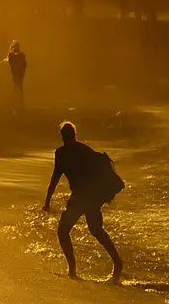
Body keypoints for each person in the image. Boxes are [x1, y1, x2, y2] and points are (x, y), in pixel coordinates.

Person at [43, 121, 123, 282]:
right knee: (94, 230)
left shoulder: (63, 153)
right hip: (88, 196)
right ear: (73, 135)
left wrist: (47, 201)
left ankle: (73, 270)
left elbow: (55, 178)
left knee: (64, 231)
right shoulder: (81, 150)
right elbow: (57, 177)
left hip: (83, 196)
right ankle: (116, 263)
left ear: (64, 136)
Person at [7, 40, 26, 109]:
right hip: (14, 73)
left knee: (19, 87)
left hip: (19, 74)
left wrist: (23, 72)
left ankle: (19, 102)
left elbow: (24, 64)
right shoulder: (12, 54)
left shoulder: (21, 54)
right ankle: (14, 102)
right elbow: (10, 63)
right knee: (16, 87)